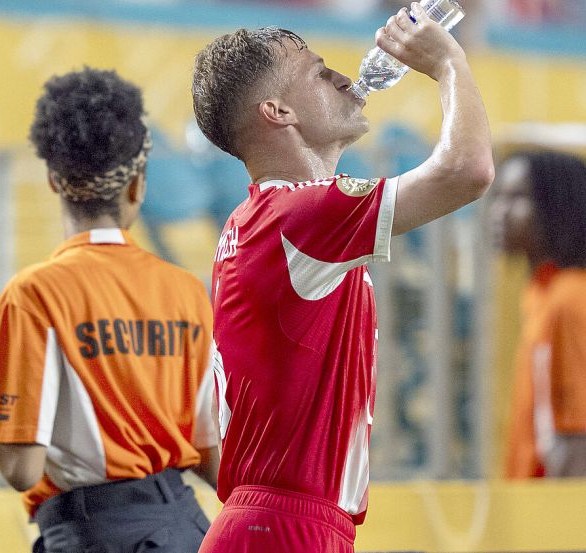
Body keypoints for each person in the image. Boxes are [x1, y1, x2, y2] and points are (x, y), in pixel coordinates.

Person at [190, 4, 493, 551]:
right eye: (317, 70)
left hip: (276, 521)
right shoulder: (300, 218)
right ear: (278, 111)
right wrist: (449, 63)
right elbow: (466, 172)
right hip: (284, 527)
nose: (343, 76)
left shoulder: (265, 219)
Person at [0, 67, 219, 553]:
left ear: (55, 180)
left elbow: (21, 469)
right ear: (138, 185)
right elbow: (211, 453)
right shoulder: (186, 291)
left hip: (93, 533)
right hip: (187, 528)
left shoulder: (35, 294)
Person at [488, 150, 586, 480]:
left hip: (585, 521)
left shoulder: (573, 303)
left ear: (556, 209)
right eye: (499, 197)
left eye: (517, 198)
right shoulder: (556, 294)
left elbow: (579, 443)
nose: (498, 212)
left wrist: (551, 527)